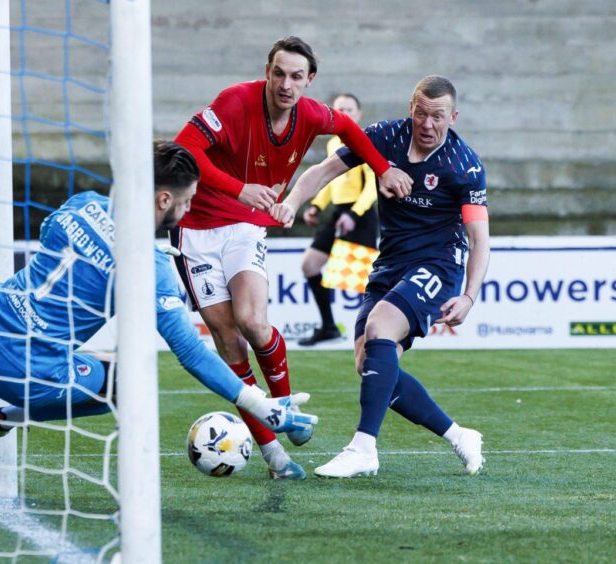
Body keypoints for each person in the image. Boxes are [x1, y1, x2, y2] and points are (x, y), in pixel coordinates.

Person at [0, 142, 318, 504]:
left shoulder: (83, 203)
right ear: (163, 199)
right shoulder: (149, 265)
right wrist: (262, 405)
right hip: (27, 367)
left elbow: (52, 230)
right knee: (129, 381)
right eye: (186, 202)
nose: (186, 212)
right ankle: (10, 414)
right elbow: (189, 353)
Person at [172, 36, 412, 479]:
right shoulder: (233, 101)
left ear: (309, 80)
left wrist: (383, 168)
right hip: (197, 229)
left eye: (296, 76)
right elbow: (183, 149)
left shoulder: (312, 113)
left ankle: (285, 410)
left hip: (245, 225)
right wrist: (238, 187)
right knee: (228, 341)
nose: (286, 84)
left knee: (254, 322)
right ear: (267, 71)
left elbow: (350, 131)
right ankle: (273, 455)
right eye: (279, 73)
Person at [270, 75, 489, 478]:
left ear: (452, 117)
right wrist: (291, 202)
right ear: (411, 107)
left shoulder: (465, 166)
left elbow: (479, 238)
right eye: (421, 113)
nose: (427, 124)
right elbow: (324, 170)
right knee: (368, 361)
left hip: (439, 264)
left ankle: (363, 447)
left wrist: (470, 296)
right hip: (390, 262)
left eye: (438, 117)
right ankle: (459, 435)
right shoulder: (384, 137)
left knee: (380, 325)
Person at [298, 93, 378, 346]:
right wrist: (316, 206)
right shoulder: (334, 144)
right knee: (310, 265)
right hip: (337, 213)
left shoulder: (365, 140)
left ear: (359, 113)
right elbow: (331, 181)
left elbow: (373, 185)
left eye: (350, 109)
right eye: (340, 109)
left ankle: (378, 333)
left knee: (364, 282)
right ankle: (329, 327)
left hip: (360, 215)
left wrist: (354, 214)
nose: (345, 113)